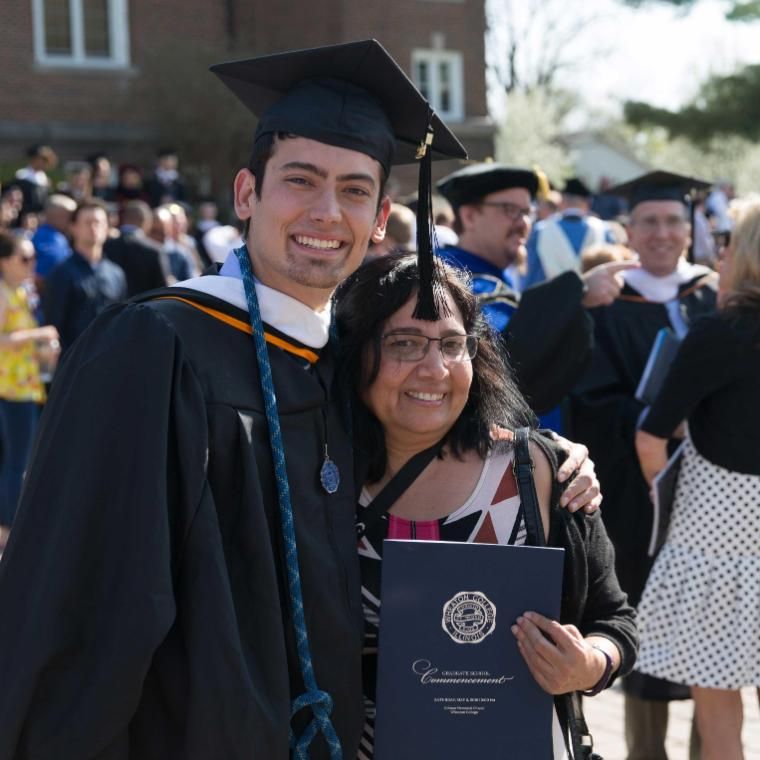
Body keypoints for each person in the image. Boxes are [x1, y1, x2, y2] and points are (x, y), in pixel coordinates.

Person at [0, 40, 600, 759]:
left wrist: (555, 456)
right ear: (247, 193)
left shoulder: (341, 361)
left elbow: (437, 440)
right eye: (301, 180)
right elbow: (81, 610)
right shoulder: (155, 347)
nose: (326, 211)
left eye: (353, 190)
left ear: (381, 220)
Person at [335, 252, 638, 759]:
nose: (434, 370)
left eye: (453, 345)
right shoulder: (319, 478)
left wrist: (588, 664)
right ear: (356, 351)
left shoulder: (538, 473)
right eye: (404, 343)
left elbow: (615, 622)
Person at [570, 170, 719, 760]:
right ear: (630, 229)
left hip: (713, 490)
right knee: (647, 626)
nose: (662, 234)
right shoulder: (608, 304)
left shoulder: (714, 296)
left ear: (691, 229)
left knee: (714, 631)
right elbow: (591, 402)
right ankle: (645, 752)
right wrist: (658, 420)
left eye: (673, 222)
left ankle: (713, 749)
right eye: (650, 222)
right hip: (639, 494)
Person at [635, 199, 760, 760]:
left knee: (718, 715)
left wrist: (663, 493)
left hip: (714, 538)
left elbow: (650, 435)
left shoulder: (719, 333)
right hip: (727, 539)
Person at [436, 163, 635, 423]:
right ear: (470, 216)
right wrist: (577, 292)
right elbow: (510, 353)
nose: (524, 223)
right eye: (510, 211)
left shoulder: (494, 274)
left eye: (527, 211)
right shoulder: (451, 278)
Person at [0, 232, 59, 552]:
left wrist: (43, 349)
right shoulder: (4, 294)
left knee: (16, 459)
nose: (32, 263)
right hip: (10, 388)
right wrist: (40, 333)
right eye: (24, 258)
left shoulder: (20, 292)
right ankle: (7, 530)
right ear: (5, 261)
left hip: (22, 385)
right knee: (15, 461)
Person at [44, 199, 127, 351]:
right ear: (73, 227)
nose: (94, 228)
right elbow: (54, 324)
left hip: (109, 361)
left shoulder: (116, 274)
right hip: (73, 363)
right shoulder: (61, 273)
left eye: (99, 223)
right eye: (88, 222)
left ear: (107, 228)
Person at [524, 177, 612, 289]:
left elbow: (530, 278)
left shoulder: (540, 230)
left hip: (548, 301)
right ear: (588, 203)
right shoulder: (603, 230)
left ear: (561, 201)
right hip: (592, 300)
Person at [103, 200, 169, 297]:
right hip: (144, 309)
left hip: (113, 309)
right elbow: (163, 291)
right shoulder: (155, 251)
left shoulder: (106, 246)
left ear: (124, 219)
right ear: (146, 221)